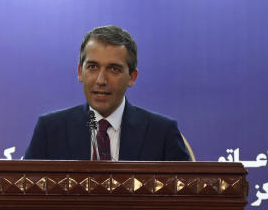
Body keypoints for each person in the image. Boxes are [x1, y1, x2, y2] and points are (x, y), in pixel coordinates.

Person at [24, 25, 190, 161]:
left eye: (114, 69)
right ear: (80, 72)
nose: (101, 80)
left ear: (132, 77)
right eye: (93, 67)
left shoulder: (162, 133)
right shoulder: (50, 130)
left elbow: (184, 199)